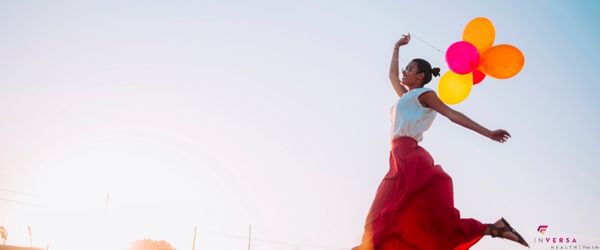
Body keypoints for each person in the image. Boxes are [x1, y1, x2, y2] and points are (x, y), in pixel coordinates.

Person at [352, 34, 529, 250]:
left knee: (395, 219)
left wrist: (488, 133)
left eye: (409, 68)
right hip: (397, 159)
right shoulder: (405, 97)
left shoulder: (424, 95)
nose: (404, 72)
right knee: (380, 218)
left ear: (420, 76)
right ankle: (494, 228)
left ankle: (491, 229)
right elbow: (391, 76)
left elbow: (452, 114)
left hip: (409, 157)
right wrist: (397, 47)